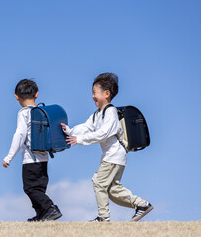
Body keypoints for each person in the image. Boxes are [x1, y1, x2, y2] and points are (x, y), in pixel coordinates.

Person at [61, 73, 153, 222]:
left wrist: (80, 140)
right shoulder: (98, 114)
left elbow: (103, 134)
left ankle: (103, 217)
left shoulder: (110, 112)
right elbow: (86, 127)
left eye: (94, 93)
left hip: (114, 155)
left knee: (98, 182)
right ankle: (141, 205)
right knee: (111, 190)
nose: (92, 96)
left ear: (106, 94)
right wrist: (70, 131)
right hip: (113, 156)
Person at [3, 79, 62, 222]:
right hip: (44, 158)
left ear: (16, 96)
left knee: (31, 188)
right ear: (37, 94)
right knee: (38, 188)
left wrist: (9, 157)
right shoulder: (42, 112)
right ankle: (42, 214)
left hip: (31, 159)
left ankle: (50, 209)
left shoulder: (23, 113)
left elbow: (20, 135)